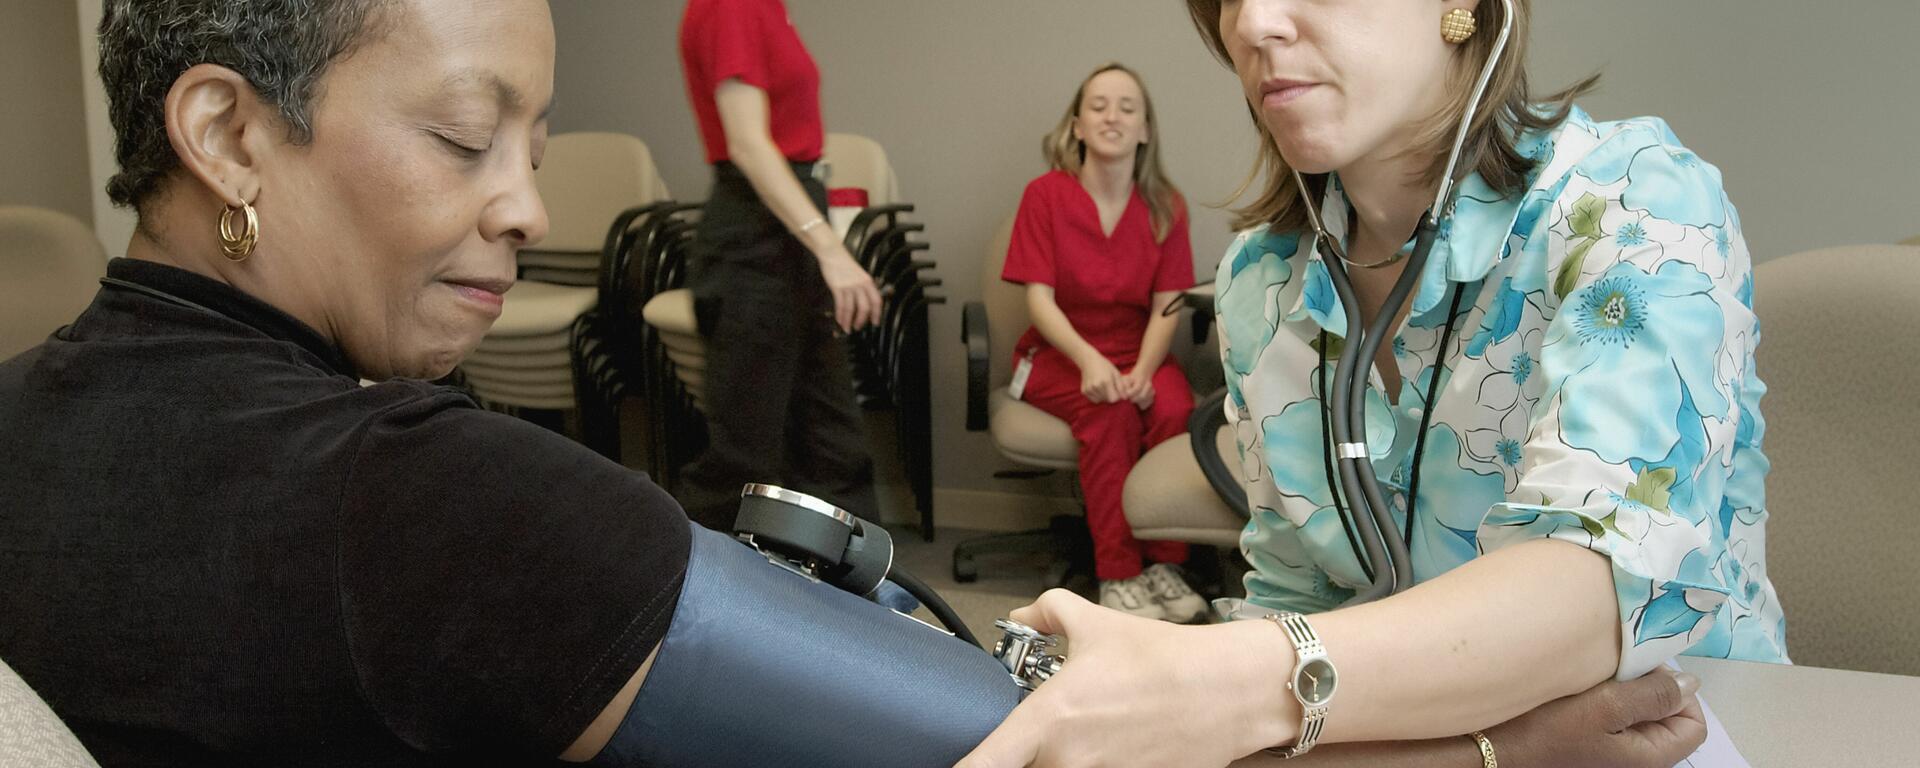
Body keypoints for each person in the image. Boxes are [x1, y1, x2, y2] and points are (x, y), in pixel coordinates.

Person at [0, 2, 1017, 765]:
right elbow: (1012, 736)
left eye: (533, 155)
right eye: (464, 140)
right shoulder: (429, 500)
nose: (528, 210)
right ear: (225, 136)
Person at [959, 1, 1782, 766]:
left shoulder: (1636, 203)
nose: (1252, 22)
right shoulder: (1262, 281)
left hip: (1679, 729)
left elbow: (1594, 591)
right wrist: (1483, 755)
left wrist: (1204, 678)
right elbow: (1293, 599)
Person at [1001, 63, 1208, 623]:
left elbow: (1169, 300)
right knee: (1110, 408)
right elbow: (1039, 300)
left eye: (1126, 107)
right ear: (1076, 125)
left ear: (1145, 129)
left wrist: (1145, 368)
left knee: (1174, 406)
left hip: (1136, 349)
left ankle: (1165, 563)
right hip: (1058, 354)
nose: (1112, 117)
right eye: (1098, 106)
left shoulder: (1167, 204)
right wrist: (1090, 360)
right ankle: (1118, 573)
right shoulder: (1045, 196)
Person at [674, 0, 885, 531]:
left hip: (790, 223)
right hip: (756, 233)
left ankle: (861, 598)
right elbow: (747, 143)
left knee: (832, 439)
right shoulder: (732, 6)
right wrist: (831, 250)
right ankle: (680, 596)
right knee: (746, 455)